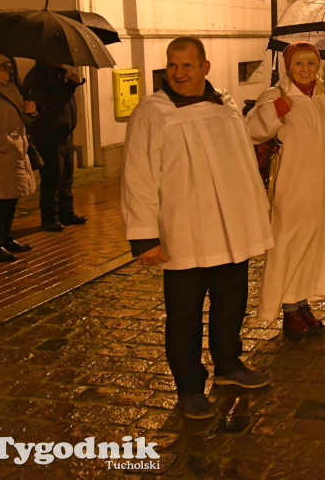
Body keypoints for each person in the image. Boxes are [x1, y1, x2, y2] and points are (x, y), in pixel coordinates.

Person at [121, 37, 274, 419]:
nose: (179, 73)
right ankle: (189, 386)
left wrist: (254, 216)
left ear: (205, 67)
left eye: (187, 65)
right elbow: (138, 177)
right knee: (184, 316)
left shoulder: (224, 105)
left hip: (229, 230)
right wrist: (144, 238)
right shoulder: (152, 112)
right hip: (183, 232)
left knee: (230, 305)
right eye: (173, 65)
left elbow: (242, 164)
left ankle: (228, 365)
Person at [245, 42, 325, 338]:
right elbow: (251, 129)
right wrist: (277, 111)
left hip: (319, 186)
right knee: (290, 243)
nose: (305, 69)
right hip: (291, 185)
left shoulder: (322, 98)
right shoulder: (276, 95)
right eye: (298, 64)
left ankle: (301, 302)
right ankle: (290, 309)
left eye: (310, 64)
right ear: (288, 68)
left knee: (312, 243)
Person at [0, 51, 36, 263]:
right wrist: (7, 144)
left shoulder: (9, 88)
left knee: (12, 197)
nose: (8, 70)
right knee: (0, 199)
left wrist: (29, 112)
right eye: (3, 67)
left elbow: (18, 119)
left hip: (15, 151)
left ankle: (6, 237)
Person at [20, 63, 88, 232]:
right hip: (49, 135)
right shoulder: (40, 77)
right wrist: (70, 86)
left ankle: (66, 213)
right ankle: (50, 218)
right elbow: (53, 104)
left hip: (64, 134)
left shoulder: (57, 76)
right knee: (52, 178)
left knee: (66, 176)